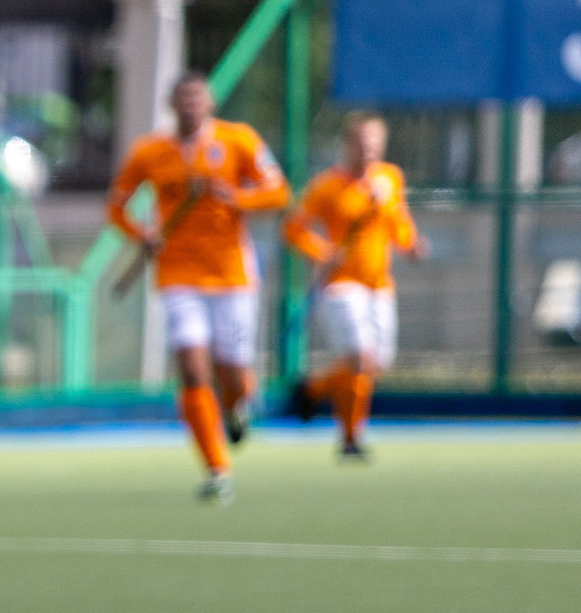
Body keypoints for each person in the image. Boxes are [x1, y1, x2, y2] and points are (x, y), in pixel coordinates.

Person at [106, 72, 291, 503]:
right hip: (178, 275)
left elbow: (278, 193)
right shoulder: (149, 151)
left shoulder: (239, 140)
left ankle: (237, 403)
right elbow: (116, 206)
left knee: (233, 368)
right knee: (191, 367)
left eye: (197, 97)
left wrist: (237, 198)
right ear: (172, 104)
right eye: (182, 98)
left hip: (231, 274)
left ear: (209, 102)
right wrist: (142, 234)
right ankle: (216, 467)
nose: (190, 104)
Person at [284, 113, 426, 459]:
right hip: (342, 284)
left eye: (374, 142)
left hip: (379, 284)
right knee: (359, 357)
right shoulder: (327, 185)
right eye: (362, 141)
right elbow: (293, 228)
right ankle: (351, 438)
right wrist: (322, 252)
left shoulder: (390, 179)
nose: (368, 149)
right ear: (348, 144)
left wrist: (411, 244)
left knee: (375, 363)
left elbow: (399, 223)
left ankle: (316, 388)